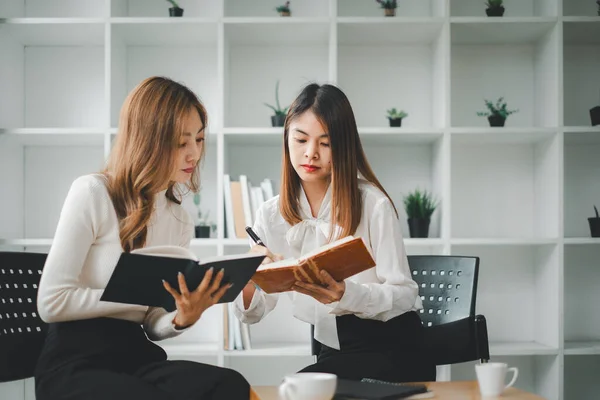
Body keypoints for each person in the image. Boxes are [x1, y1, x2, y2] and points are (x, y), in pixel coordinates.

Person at [34, 76, 251, 400]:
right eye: (181, 142)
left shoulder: (179, 219)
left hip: (135, 356)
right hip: (74, 361)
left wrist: (181, 317)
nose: (193, 154)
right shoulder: (94, 192)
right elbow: (50, 303)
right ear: (148, 140)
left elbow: (151, 322)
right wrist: (134, 296)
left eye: (200, 139)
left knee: (230, 385)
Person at [234, 83, 436, 383]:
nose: (310, 153)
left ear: (344, 146)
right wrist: (249, 274)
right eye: (301, 140)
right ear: (286, 139)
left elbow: (405, 295)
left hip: (394, 346)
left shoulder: (373, 204)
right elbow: (251, 313)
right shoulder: (271, 214)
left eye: (325, 144)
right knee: (300, 389)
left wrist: (347, 294)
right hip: (334, 350)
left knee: (302, 390)